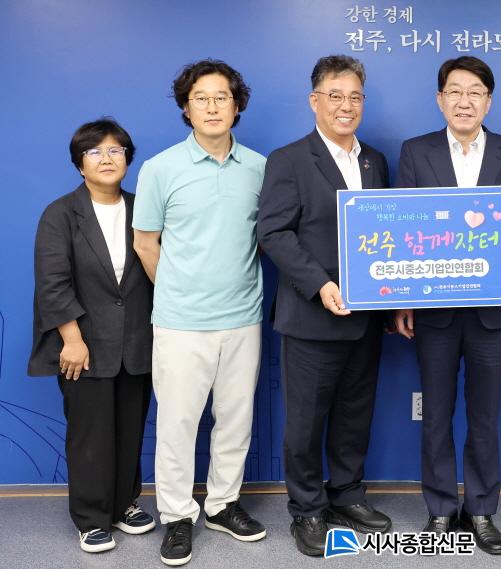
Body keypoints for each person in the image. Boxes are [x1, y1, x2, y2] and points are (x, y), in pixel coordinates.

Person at [393, 56, 501, 555]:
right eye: (454, 91)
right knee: (435, 413)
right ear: (440, 99)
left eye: (475, 92)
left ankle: (481, 510)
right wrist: (402, 302)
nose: (464, 100)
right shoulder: (416, 152)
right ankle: (439, 508)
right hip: (434, 309)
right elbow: (403, 228)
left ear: (488, 101)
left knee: (485, 415)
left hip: (492, 308)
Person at [132, 59, 266, 566]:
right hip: (181, 321)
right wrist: (180, 291)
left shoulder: (260, 167)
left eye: (222, 97)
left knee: (235, 418)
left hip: (243, 316)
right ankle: (176, 516)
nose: (212, 107)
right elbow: (145, 243)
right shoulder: (160, 168)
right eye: (201, 98)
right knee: (178, 424)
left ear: (237, 105)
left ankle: (223, 504)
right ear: (186, 108)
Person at [258, 54, 391, 557]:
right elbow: (274, 232)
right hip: (312, 316)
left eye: (355, 97)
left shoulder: (375, 160)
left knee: (356, 414)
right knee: (305, 422)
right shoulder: (289, 159)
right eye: (335, 96)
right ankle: (308, 509)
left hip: (367, 317)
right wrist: (319, 284)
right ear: (315, 101)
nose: (346, 106)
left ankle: (347, 495)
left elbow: (387, 231)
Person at [28, 119, 155, 553]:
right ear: (80, 164)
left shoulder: (143, 209)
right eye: (95, 152)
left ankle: (124, 505)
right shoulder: (61, 213)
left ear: (127, 159)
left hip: (137, 341)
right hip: (83, 344)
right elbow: (52, 283)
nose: (106, 159)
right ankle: (91, 517)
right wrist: (72, 338)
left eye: (116, 150)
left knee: (130, 429)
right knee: (90, 435)